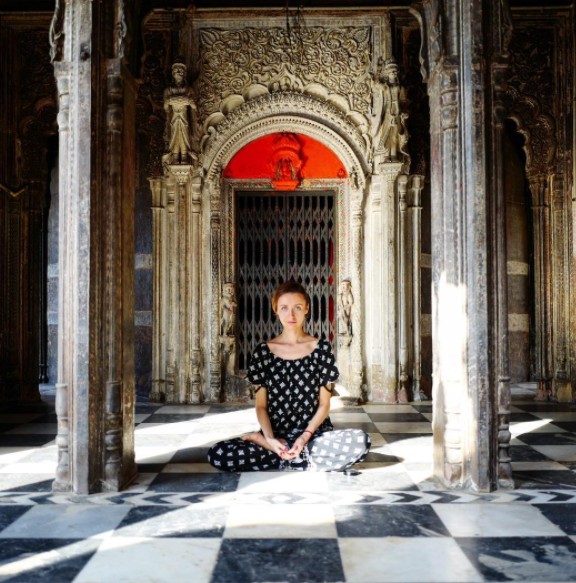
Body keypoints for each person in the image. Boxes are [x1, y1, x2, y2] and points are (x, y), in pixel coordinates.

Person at [207, 280, 371, 472]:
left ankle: (284, 456)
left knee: (361, 441)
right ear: (276, 309)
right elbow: (261, 407)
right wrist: (269, 439)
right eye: (284, 308)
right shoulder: (263, 352)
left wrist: (304, 437)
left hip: (314, 436)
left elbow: (324, 405)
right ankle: (293, 456)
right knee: (218, 453)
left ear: (307, 308)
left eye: (297, 308)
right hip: (276, 435)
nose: (291, 315)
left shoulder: (322, 349)